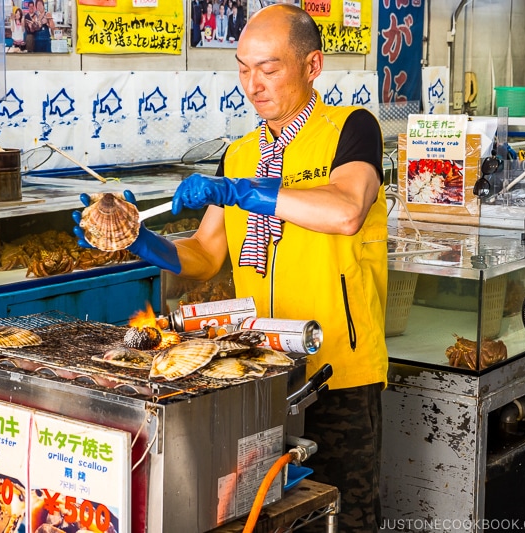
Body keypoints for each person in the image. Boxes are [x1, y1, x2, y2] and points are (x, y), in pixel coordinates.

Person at [74, 5, 387, 532]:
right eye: (243, 68)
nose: (252, 84)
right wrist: (138, 240)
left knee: (343, 518)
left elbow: (346, 210)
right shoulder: (240, 154)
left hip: (338, 374)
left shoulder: (351, 130)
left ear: (313, 66)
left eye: (269, 68)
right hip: (259, 374)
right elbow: (205, 255)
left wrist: (247, 193)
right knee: (260, 516)